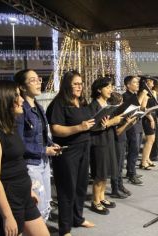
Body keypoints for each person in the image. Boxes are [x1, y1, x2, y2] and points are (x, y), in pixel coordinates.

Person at [0, 80, 49, 236]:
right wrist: (7, 216)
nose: (22, 99)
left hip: (23, 195)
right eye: (16, 95)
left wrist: (29, 190)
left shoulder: (11, 127)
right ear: (4, 100)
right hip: (6, 201)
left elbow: (18, 162)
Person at [46, 71, 95, 235]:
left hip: (84, 147)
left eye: (81, 83)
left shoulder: (82, 101)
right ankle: (64, 228)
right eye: (76, 83)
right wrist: (79, 127)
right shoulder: (59, 103)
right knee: (67, 189)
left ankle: (78, 218)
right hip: (67, 152)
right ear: (67, 85)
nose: (80, 86)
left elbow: (88, 122)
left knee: (81, 187)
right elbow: (56, 130)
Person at [14, 69, 60, 221]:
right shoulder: (21, 110)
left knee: (46, 204)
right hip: (31, 164)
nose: (38, 83)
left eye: (39, 79)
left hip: (44, 162)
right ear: (22, 87)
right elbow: (19, 143)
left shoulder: (38, 106)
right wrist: (44, 150)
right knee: (37, 207)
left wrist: (52, 144)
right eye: (32, 80)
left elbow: (43, 134)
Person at [88, 77, 123, 215]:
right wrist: (110, 123)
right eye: (107, 87)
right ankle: (95, 201)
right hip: (98, 143)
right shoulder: (93, 106)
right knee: (100, 173)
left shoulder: (108, 105)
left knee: (106, 172)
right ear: (98, 89)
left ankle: (102, 197)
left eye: (111, 87)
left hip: (109, 140)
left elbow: (111, 123)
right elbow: (92, 127)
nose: (111, 90)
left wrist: (116, 121)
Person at [108, 92, 136, 198]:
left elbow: (123, 130)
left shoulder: (120, 114)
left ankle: (120, 185)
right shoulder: (114, 114)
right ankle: (115, 188)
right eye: (121, 103)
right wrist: (126, 123)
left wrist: (130, 123)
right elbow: (118, 132)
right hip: (116, 141)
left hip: (122, 140)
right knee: (117, 166)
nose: (122, 104)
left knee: (120, 166)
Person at [122, 76, 147, 185]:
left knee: (136, 150)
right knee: (133, 149)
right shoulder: (125, 96)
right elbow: (134, 108)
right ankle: (131, 173)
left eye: (137, 82)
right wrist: (142, 95)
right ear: (128, 85)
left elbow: (141, 108)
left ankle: (131, 171)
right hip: (131, 126)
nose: (137, 84)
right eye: (135, 82)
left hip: (138, 124)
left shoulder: (135, 95)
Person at [139, 76, 156, 169]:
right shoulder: (144, 94)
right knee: (149, 139)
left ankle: (147, 158)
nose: (153, 83)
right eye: (151, 81)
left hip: (151, 116)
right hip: (147, 118)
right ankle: (143, 161)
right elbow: (143, 109)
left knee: (152, 139)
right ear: (146, 83)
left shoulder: (151, 92)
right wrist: (151, 119)